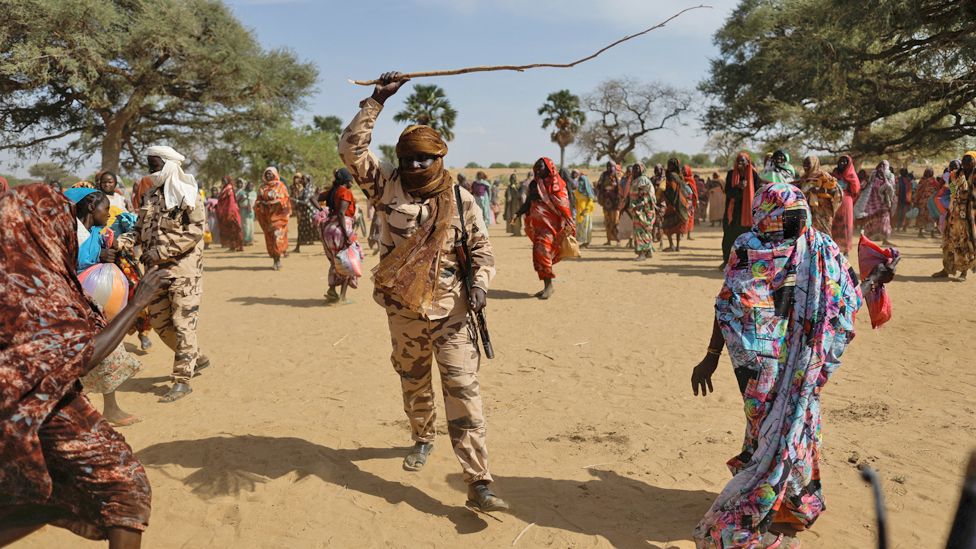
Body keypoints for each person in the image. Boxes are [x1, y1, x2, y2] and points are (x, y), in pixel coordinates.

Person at [338, 71, 508, 512]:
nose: (414, 167)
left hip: (452, 313)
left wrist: (481, 287)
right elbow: (350, 149)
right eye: (408, 160)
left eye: (423, 161)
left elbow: (484, 252)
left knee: (462, 388)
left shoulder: (461, 198)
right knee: (414, 383)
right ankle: (422, 437)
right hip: (404, 313)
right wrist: (376, 101)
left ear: (439, 160)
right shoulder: (385, 187)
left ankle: (478, 480)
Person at [690, 182, 891, 548]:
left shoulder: (820, 248)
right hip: (759, 371)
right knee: (771, 438)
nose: (794, 225)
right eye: (787, 218)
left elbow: (843, 300)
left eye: (798, 217)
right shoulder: (749, 249)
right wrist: (711, 356)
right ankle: (752, 519)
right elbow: (727, 306)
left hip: (800, 368)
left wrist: (877, 278)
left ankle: (790, 504)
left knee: (793, 434)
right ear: (766, 216)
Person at [0, 183, 171, 548]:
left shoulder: (17, 275)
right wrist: (137, 305)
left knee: (40, 500)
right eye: (58, 222)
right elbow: (80, 357)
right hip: (38, 410)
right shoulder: (32, 292)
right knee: (125, 487)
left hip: (21, 412)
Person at [129, 146, 209, 403]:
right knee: (160, 322)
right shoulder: (150, 196)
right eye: (150, 165)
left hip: (183, 271)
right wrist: (121, 241)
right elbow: (138, 227)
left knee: (183, 323)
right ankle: (196, 357)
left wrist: (161, 252)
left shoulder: (189, 194)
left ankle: (182, 380)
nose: (151, 170)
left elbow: (195, 231)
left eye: (155, 165)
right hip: (154, 272)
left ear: (169, 165)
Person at [63, 187, 143, 427]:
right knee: (80, 360)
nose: (108, 213)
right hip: (74, 303)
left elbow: (118, 242)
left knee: (108, 352)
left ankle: (110, 408)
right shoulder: (70, 233)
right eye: (105, 209)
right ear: (90, 208)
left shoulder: (97, 232)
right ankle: (82, 413)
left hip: (96, 307)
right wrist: (99, 255)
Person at [516, 157, 576, 299]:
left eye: (541, 167)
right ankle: (547, 285)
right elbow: (529, 201)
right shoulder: (534, 184)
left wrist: (569, 220)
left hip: (552, 227)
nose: (538, 170)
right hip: (538, 226)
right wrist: (517, 213)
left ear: (549, 168)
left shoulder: (557, 184)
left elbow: (564, 203)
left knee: (542, 252)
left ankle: (549, 286)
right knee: (539, 256)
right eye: (536, 167)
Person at [932, 151, 976, 280]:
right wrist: (954, 201)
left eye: (970, 160)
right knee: (949, 241)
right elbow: (952, 192)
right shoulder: (955, 175)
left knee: (965, 243)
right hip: (954, 214)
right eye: (965, 160)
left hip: (969, 216)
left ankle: (964, 272)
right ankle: (946, 269)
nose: (967, 163)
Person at [319, 168, 361, 303]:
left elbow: (313, 198)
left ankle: (332, 291)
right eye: (351, 181)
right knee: (347, 260)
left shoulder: (332, 191)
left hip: (328, 229)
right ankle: (342, 297)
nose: (352, 184)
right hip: (340, 229)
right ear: (347, 181)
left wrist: (322, 210)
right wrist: (347, 235)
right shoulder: (345, 192)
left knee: (335, 261)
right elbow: (342, 214)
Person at [721, 152, 761, 267]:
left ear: (748, 162)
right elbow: (728, 193)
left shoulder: (753, 175)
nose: (740, 163)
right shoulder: (730, 174)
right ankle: (726, 261)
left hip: (748, 214)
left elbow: (758, 192)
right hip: (733, 213)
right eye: (738, 160)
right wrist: (738, 187)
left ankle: (746, 262)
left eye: (742, 161)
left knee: (748, 237)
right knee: (729, 237)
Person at [254, 167, 292, 271]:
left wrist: (276, 202)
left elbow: (285, 199)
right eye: (266, 174)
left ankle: (278, 259)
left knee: (277, 237)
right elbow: (257, 200)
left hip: (279, 216)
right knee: (270, 238)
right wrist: (261, 203)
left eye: (270, 174)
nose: (268, 176)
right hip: (267, 217)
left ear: (275, 174)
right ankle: (275, 259)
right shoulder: (262, 187)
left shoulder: (280, 186)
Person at [854, 160, 896, 245]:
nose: (882, 167)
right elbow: (869, 185)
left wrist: (884, 178)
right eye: (881, 165)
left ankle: (885, 239)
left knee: (884, 220)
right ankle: (868, 239)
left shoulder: (890, 175)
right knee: (872, 219)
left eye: (884, 165)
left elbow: (891, 188)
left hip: (883, 202)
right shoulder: (874, 174)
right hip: (873, 201)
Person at [798, 155, 842, 235]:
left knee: (823, 232)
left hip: (822, 211)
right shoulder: (804, 178)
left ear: (815, 164)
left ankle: (827, 247)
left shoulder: (824, 176)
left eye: (808, 164)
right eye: (804, 165)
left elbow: (835, 190)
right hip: (808, 210)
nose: (806, 167)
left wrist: (819, 190)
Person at [830, 155, 861, 254]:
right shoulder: (834, 174)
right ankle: (834, 248)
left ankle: (846, 249)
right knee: (834, 224)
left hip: (846, 202)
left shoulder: (852, 175)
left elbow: (856, 190)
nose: (842, 163)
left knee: (846, 224)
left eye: (845, 162)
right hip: (834, 202)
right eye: (841, 161)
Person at [627, 163, 657, 260]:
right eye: (634, 168)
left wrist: (641, 203)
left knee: (641, 231)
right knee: (644, 230)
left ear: (642, 169)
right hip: (637, 209)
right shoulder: (635, 180)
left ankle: (642, 253)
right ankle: (648, 251)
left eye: (637, 168)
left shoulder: (643, 180)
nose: (635, 170)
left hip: (643, 210)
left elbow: (647, 194)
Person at [662, 158, 692, 252]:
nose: (669, 166)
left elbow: (672, 189)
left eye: (670, 164)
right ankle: (677, 246)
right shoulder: (679, 175)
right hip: (681, 203)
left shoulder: (671, 175)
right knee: (678, 225)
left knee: (667, 224)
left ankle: (672, 245)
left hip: (673, 202)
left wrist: (666, 196)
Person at [596, 161, 625, 246]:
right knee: (607, 221)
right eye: (608, 166)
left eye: (611, 166)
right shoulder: (604, 175)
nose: (609, 168)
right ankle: (608, 240)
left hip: (616, 201)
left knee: (616, 221)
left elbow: (621, 187)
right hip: (606, 201)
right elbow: (599, 185)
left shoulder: (618, 174)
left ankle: (618, 240)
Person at [293, 174, 321, 253]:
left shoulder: (309, 189)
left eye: (303, 179)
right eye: (302, 178)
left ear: (308, 180)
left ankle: (327, 248)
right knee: (301, 229)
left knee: (316, 231)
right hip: (305, 214)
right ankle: (297, 247)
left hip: (310, 214)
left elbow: (306, 202)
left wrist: (295, 201)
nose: (301, 180)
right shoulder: (305, 189)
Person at [216, 176, 244, 252]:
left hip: (231, 212)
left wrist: (229, 213)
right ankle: (233, 246)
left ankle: (237, 246)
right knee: (231, 230)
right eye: (223, 180)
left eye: (225, 180)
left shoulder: (229, 189)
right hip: (227, 212)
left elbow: (231, 202)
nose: (223, 182)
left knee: (234, 229)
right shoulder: (225, 189)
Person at [912, 167, 942, 237]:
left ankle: (921, 232)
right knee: (931, 217)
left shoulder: (922, 181)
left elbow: (917, 192)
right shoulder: (934, 181)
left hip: (922, 202)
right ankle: (931, 233)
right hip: (931, 203)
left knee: (922, 216)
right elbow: (938, 191)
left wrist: (916, 201)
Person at [571, 168, 596, 247]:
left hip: (586, 212)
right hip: (579, 212)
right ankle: (582, 241)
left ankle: (587, 242)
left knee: (587, 228)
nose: (581, 182)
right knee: (580, 227)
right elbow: (575, 200)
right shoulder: (577, 191)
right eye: (580, 180)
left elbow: (591, 201)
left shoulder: (588, 192)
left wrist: (586, 210)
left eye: (582, 181)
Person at [236, 179, 256, 246]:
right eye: (249, 185)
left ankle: (251, 240)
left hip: (251, 211)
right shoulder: (242, 192)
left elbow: (255, 202)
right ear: (246, 185)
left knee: (251, 225)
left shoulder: (254, 193)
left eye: (251, 185)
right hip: (244, 210)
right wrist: (243, 198)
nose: (250, 186)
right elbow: (237, 201)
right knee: (245, 225)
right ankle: (245, 240)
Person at [893, 167, 914, 232]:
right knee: (907, 213)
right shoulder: (909, 180)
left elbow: (896, 190)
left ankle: (899, 227)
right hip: (908, 199)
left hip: (900, 199)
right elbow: (911, 190)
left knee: (900, 213)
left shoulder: (898, 180)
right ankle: (905, 227)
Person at [683, 165, 699, 240]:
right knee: (682, 217)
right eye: (683, 170)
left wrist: (696, 201)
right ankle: (681, 234)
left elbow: (694, 191)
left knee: (690, 217)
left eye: (685, 170)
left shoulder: (691, 180)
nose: (684, 171)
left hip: (690, 202)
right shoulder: (680, 179)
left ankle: (689, 235)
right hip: (682, 200)